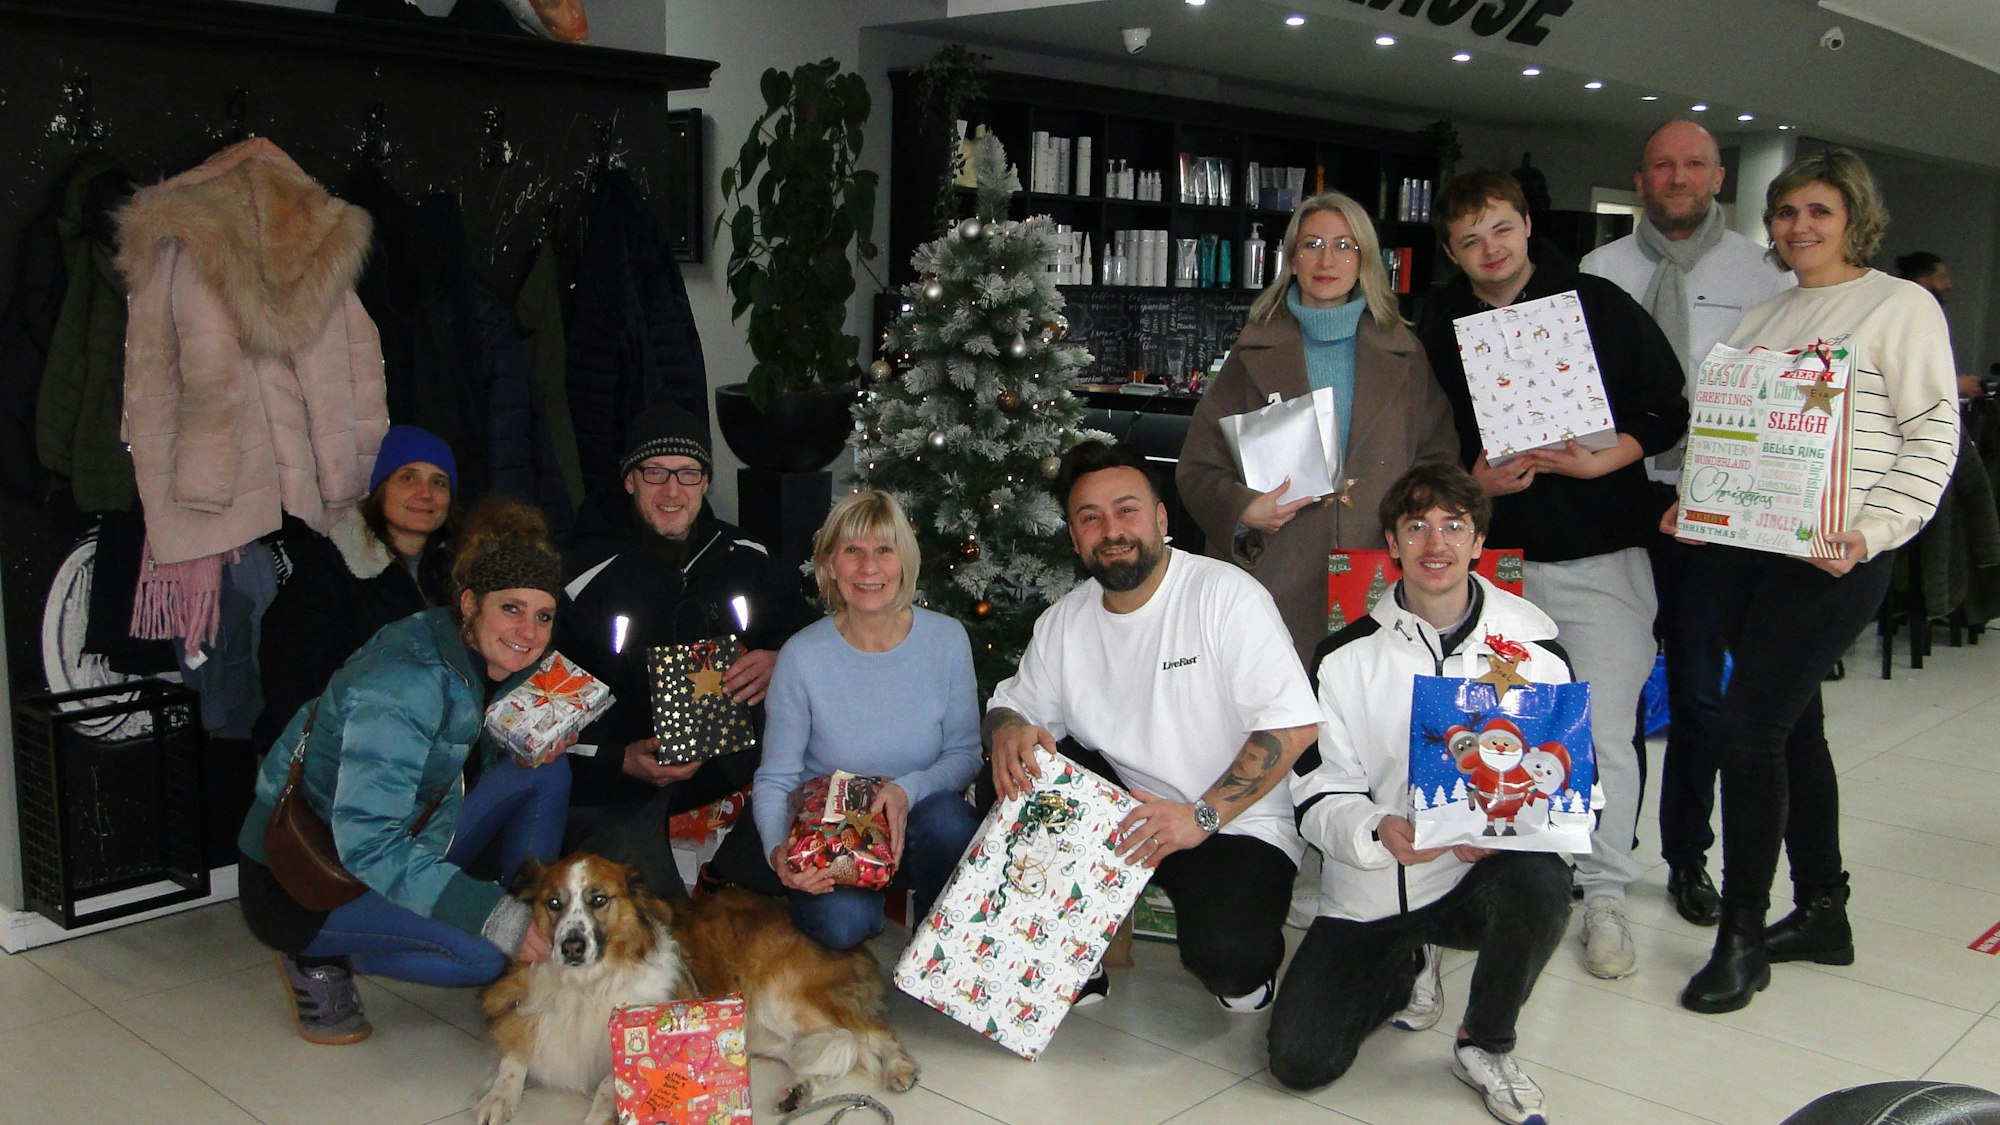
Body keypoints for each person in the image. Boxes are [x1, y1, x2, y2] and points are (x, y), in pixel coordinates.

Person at [1678, 148, 1958, 1014]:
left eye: (1818, 211)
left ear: (1854, 220)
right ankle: (1824, 911)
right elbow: (1724, 434)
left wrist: (1872, 533)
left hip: (1835, 558)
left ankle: (1742, 935)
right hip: (1743, 552)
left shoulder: (1899, 306)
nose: (1798, 227)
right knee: (1795, 729)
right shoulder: (1762, 317)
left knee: (1748, 731)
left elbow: (1932, 436)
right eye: (1786, 211)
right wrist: (1695, 498)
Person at [1418, 170, 1688, 981]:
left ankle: (1604, 890)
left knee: (1603, 732)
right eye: (1470, 240)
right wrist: (1470, 479)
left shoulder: (1596, 303)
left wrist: (1607, 457)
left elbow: (1666, 407)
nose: (1490, 250)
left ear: (1528, 225)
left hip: (1602, 555)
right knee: (1484, 725)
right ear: (1452, 252)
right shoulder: (1439, 325)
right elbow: (1425, 438)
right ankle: (1489, 876)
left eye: (1501, 229)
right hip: (1492, 566)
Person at [1271, 463, 1572, 1125]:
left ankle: (1484, 1041)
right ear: (1393, 542)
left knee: (1544, 880)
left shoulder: (1537, 649)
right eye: (1417, 527)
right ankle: (1407, 966)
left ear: (1478, 542)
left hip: (1477, 880)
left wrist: (1505, 832)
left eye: (1453, 526)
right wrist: (1379, 829)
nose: (1436, 544)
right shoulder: (1343, 657)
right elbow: (1317, 793)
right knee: (1300, 1062)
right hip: (1376, 883)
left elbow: (1563, 783)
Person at [986, 440, 1320, 1010]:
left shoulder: (1225, 595)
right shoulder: (1063, 622)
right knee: (1008, 767)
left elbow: (1292, 728)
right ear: (1074, 538)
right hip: (1121, 814)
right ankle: (1075, 944)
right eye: (1090, 518)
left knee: (1230, 963)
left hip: (1229, 822)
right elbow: (1011, 707)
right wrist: (1006, 730)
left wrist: (1200, 816)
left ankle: (1234, 955)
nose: (1111, 530)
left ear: (1161, 520)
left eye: (1127, 510)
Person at [236, 499, 571, 1045]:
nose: (528, 631)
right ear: (470, 603)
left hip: (406, 833)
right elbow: (368, 844)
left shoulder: (472, 653)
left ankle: (531, 937)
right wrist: (491, 915)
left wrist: (520, 742)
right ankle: (323, 954)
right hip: (307, 877)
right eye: (511, 608)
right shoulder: (404, 682)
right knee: (483, 954)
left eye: (542, 615)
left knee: (544, 773)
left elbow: (447, 763)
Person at [1580, 120, 1794, 928]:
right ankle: (1605, 851)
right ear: (1641, 180)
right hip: (1617, 503)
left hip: (1714, 512)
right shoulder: (1599, 271)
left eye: (1694, 164)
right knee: (1614, 694)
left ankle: (1687, 856)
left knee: (1702, 695)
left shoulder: (1763, 274)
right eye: (1662, 165)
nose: (1678, 177)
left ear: (1717, 178)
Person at [1178, 190, 1457, 670]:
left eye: (1345, 246)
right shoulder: (1251, 352)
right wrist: (1244, 510)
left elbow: (1439, 464)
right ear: (1290, 260)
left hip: (1383, 576)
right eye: (1312, 245)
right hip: (1275, 574)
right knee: (1278, 709)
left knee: (1370, 708)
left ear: (1365, 260)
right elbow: (1198, 469)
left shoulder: (1406, 353)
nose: (1327, 260)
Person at [555, 401, 816, 899]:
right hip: (629, 779)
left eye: (688, 473)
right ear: (629, 480)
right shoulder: (581, 576)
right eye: (655, 472)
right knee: (653, 920)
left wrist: (780, 658)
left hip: (735, 762)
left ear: (705, 481)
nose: (672, 490)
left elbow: (810, 639)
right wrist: (619, 759)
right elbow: (546, 706)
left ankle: (732, 867)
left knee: (812, 724)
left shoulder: (747, 556)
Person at [708, 490, 983, 951]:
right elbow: (776, 777)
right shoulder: (801, 655)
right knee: (841, 926)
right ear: (830, 565)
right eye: (852, 550)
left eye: (884, 550)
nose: (868, 567)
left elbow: (965, 754)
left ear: (904, 561)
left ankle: (935, 953)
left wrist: (906, 790)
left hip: (917, 819)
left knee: (951, 823)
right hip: (833, 833)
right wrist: (778, 852)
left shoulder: (947, 641)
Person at [256, 425, 459, 748]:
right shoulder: (328, 572)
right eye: (408, 477)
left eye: (439, 482)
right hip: (353, 754)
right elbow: (294, 682)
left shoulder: (458, 572)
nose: (425, 493)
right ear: (381, 489)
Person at [1895, 251, 1985, 400]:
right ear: (1923, 281)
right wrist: (1955, 384)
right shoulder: (1905, 317)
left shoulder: (1923, 315)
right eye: (1941, 277)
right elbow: (1904, 371)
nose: (1947, 284)